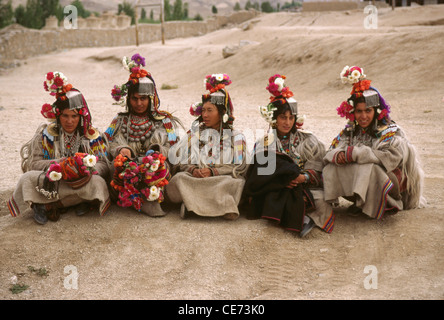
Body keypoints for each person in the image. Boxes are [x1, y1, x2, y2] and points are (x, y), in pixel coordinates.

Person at [322, 65, 425, 219]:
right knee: (331, 167)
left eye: (368, 111)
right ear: (353, 112)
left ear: (376, 112)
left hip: (391, 183)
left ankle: (387, 204)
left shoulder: (391, 131)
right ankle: (361, 203)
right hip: (367, 181)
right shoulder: (350, 131)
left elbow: (391, 159)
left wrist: (354, 154)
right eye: (359, 111)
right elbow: (330, 152)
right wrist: (339, 156)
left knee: (370, 168)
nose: (363, 116)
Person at [8, 71, 111, 225]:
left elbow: (104, 164)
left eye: (74, 116)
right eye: (65, 116)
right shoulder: (46, 134)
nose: (69, 121)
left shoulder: (91, 135)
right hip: (51, 180)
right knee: (27, 179)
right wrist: (61, 164)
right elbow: (34, 164)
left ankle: (49, 205)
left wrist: (85, 169)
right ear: (58, 116)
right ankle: (75, 202)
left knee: (98, 183)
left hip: (81, 182)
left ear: (81, 117)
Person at [243, 74, 334, 237]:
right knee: (269, 191)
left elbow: (318, 168)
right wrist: (281, 179)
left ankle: (293, 213)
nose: (287, 122)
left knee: (320, 198)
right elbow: (259, 173)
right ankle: (299, 214)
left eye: (291, 117)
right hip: (278, 186)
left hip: (304, 186)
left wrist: (303, 178)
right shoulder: (265, 141)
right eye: (282, 117)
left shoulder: (309, 140)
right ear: (274, 119)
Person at [105, 54, 182, 217]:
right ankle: (136, 199)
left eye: (143, 99)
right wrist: (121, 150)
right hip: (129, 163)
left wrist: (157, 151)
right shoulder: (119, 120)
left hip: (154, 164)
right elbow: (106, 143)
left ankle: (148, 200)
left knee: (160, 168)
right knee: (115, 167)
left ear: (151, 99)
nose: (139, 103)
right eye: (134, 99)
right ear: (128, 99)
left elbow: (175, 147)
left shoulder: (165, 121)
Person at [166, 74, 248, 220]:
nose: (205, 115)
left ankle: (191, 206)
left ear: (223, 112)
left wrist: (213, 171)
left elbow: (240, 166)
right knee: (179, 179)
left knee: (236, 183)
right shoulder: (193, 134)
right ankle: (222, 207)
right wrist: (193, 170)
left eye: (210, 110)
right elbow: (181, 161)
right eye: (203, 110)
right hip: (194, 178)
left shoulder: (237, 137)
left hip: (220, 179)